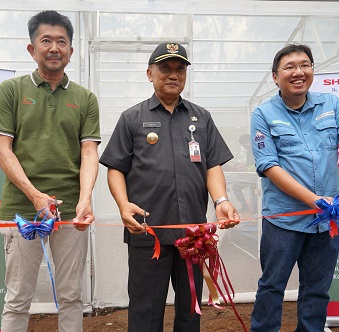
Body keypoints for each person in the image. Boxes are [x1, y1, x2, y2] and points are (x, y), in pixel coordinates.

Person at [99, 42, 240, 332]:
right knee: (145, 311)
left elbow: (212, 165)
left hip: (193, 235)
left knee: (191, 311)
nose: (173, 75)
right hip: (148, 232)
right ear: (149, 73)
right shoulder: (132, 118)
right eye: (165, 68)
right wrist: (123, 206)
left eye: (180, 69)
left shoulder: (201, 117)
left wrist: (221, 200)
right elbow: (116, 169)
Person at [0, 10, 100, 332]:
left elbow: (89, 152)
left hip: (70, 213)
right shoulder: (11, 90)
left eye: (61, 42)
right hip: (21, 209)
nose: (54, 48)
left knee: (71, 295)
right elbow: (2, 150)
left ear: (71, 51)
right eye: (46, 41)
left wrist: (85, 199)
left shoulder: (85, 98)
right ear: (32, 48)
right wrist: (36, 196)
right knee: (18, 298)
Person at [249, 44, 339, 331]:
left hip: (326, 221)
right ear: (275, 77)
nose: (298, 72)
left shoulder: (332, 104)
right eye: (289, 67)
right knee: (271, 287)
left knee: (317, 291)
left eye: (305, 65)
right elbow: (270, 167)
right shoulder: (263, 114)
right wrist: (315, 200)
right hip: (284, 220)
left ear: (312, 71)